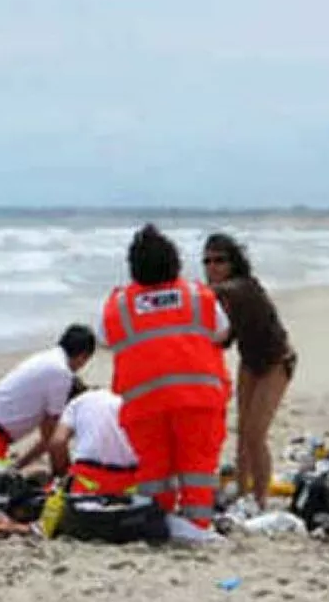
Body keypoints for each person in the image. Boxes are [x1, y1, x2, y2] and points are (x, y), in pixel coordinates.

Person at [98, 224, 231, 531]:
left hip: (144, 401)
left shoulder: (119, 305)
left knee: (154, 469)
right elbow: (222, 332)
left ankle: (157, 522)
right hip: (199, 398)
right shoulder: (199, 296)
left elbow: (105, 339)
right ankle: (197, 525)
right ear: (175, 262)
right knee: (198, 468)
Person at [202, 232, 297, 514]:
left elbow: (226, 292)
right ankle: (243, 492)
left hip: (277, 362)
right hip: (250, 361)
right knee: (242, 431)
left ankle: (261, 500)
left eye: (220, 260)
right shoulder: (224, 295)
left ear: (234, 262)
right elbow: (226, 338)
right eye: (207, 261)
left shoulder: (242, 286)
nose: (213, 267)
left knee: (256, 434)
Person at [0, 324, 97, 474]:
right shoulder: (62, 373)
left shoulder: (48, 359)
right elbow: (52, 435)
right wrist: (64, 472)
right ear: (84, 356)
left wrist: (19, 465)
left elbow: (47, 435)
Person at [46, 386, 140, 496]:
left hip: (86, 480)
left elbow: (58, 442)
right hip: (130, 482)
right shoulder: (127, 400)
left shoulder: (77, 402)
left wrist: (62, 475)